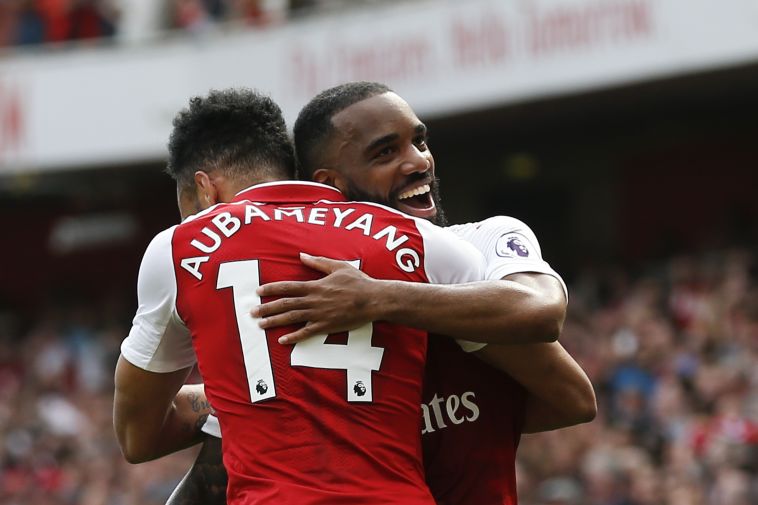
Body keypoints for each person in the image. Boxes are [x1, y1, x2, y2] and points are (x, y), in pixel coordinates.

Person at [113, 87, 555, 504]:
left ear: (205, 190)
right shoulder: (414, 238)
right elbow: (564, 381)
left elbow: (138, 435)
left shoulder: (181, 247)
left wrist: (243, 389)